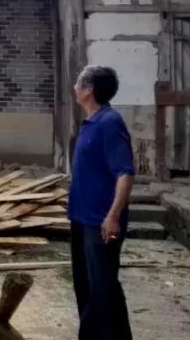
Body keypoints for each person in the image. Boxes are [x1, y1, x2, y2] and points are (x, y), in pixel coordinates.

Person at [68, 65, 135, 340]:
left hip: (101, 222)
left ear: (88, 90)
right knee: (85, 286)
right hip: (81, 218)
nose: (74, 87)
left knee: (103, 288)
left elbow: (125, 173)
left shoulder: (109, 123)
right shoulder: (90, 123)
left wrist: (113, 215)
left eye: (78, 83)